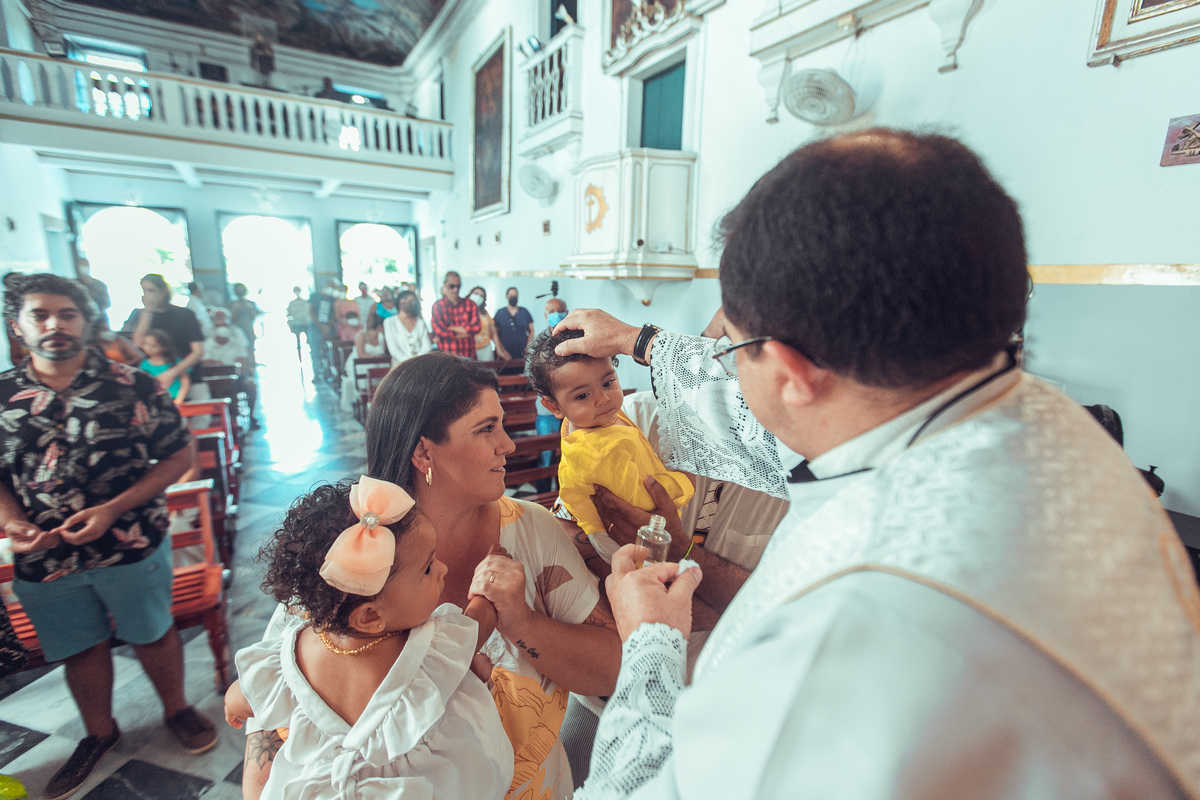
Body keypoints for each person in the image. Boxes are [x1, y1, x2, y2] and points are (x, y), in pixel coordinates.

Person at [558, 129, 1200, 798]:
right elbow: (764, 424)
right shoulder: (1037, 415)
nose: (729, 370)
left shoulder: (846, 631)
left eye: (736, 350)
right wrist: (640, 341)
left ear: (789, 370)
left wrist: (651, 645)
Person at [241, 353, 623, 800]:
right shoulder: (350, 551)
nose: (509, 444)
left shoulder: (530, 530)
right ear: (424, 451)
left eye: (501, 424)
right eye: (486, 429)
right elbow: (271, 721)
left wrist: (522, 622)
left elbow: (612, 669)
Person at [0, 273, 216, 800]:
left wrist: (114, 508)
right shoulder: (3, 396)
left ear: (86, 321)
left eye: (67, 314)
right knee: (79, 647)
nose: (55, 325)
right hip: (45, 555)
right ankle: (99, 732)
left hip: (130, 539)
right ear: (18, 325)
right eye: (41, 315)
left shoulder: (133, 385)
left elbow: (179, 455)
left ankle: (177, 709)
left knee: (153, 630)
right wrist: (11, 523)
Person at [224, 477, 514, 800]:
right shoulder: (429, 646)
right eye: (428, 568)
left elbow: (242, 697)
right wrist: (489, 584)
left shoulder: (289, 655)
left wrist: (232, 709)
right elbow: (479, 624)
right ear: (370, 617)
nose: (443, 568)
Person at [525, 327, 693, 540]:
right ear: (554, 407)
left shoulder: (589, 418)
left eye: (607, 383)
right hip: (618, 538)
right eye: (583, 395)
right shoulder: (599, 450)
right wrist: (685, 481)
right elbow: (644, 501)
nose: (603, 398)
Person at [130, 274, 205, 400]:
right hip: (155, 379)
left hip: (188, 376)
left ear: (163, 290)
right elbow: (137, 344)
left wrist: (172, 373)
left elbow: (198, 351)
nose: (148, 295)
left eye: (151, 290)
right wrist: (148, 310)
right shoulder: (141, 315)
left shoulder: (185, 315)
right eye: (145, 291)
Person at [533, 297, 570, 492]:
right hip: (547, 409)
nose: (557, 313)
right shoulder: (537, 342)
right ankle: (542, 498)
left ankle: (565, 498)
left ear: (567, 311)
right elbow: (530, 374)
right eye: (553, 310)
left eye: (561, 309)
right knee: (546, 455)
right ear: (546, 315)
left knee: (569, 455)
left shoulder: (573, 336)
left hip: (571, 408)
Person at [203, 308, 260, 429]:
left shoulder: (237, 336)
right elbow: (205, 361)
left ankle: (251, 417)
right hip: (214, 379)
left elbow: (243, 358)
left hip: (237, 377)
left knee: (250, 385)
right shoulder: (208, 340)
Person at [339, 307, 388, 414]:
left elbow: (383, 352)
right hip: (360, 363)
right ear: (379, 326)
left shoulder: (381, 336)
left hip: (376, 362)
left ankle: (380, 403)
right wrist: (375, 358)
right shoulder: (361, 335)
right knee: (368, 372)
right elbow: (361, 354)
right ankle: (366, 400)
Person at [430, 272, 480, 358]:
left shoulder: (471, 304)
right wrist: (466, 332)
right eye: (452, 286)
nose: (455, 289)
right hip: (447, 358)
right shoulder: (438, 306)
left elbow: (476, 327)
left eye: (458, 286)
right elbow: (439, 330)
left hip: (469, 357)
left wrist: (450, 328)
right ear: (445, 284)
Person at [139, 329, 191, 405]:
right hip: (157, 401)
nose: (147, 348)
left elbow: (185, 382)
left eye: (153, 346)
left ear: (164, 347)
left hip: (177, 398)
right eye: (145, 344)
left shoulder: (176, 362)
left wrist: (179, 399)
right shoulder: (144, 365)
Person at [382, 290, 431, 367]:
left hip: (420, 365)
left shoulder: (420, 323)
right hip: (399, 367)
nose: (408, 302)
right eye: (405, 299)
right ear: (399, 301)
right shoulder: (389, 322)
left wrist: (417, 361)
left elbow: (426, 347)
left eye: (411, 300)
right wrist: (408, 362)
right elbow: (393, 349)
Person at [493, 287, 534, 361]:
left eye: (515, 295)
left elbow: (531, 331)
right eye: (511, 295)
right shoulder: (500, 313)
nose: (513, 297)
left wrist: (528, 348)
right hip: (505, 353)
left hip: (522, 353)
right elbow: (495, 334)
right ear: (506, 296)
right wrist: (501, 350)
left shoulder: (524, 312)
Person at [229, 283, 261, 369]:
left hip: (248, 328)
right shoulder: (231, 304)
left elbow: (254, 316)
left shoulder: (250, 303)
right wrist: (235, 309)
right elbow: (231, 319)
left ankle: (252, 364)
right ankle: (243, 366)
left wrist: (250, 308)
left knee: (250, 346)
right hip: (237, 329)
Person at [468, 286, 501, 362]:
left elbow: (493, 333)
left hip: (485, 349)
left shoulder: (485, 313)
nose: (478, 297)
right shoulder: (463, 311)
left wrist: (499, 349)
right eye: (476, 294)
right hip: (468, 349)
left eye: (481, 296)